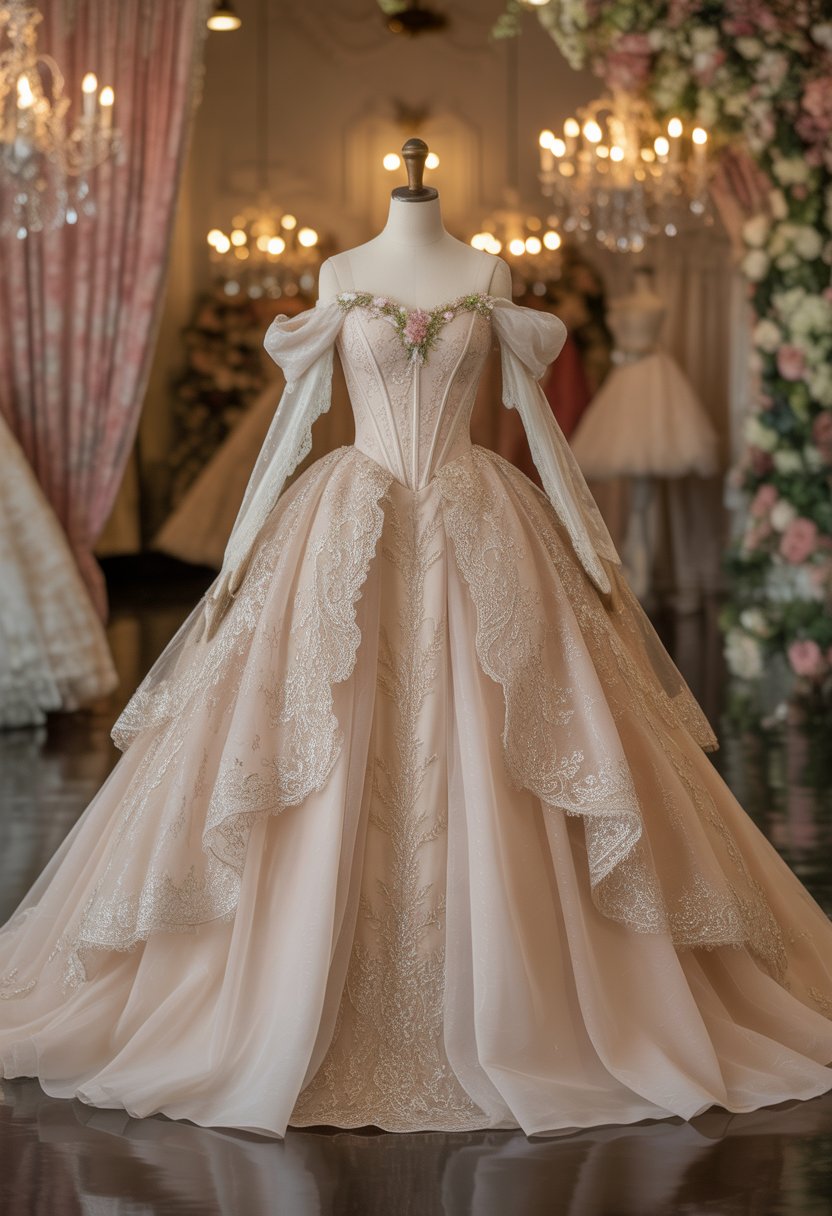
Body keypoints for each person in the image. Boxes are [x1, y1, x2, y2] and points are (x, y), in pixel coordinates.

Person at [1, 146, 830, 1138]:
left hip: (478, 518)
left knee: (519, 727)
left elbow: (537, 424)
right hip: (347, 516)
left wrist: (588, 550)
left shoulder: (489, 276)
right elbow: (294, 422)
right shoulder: (341, 275)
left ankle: (534, 1008)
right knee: (311, 735)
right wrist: (236, 561)